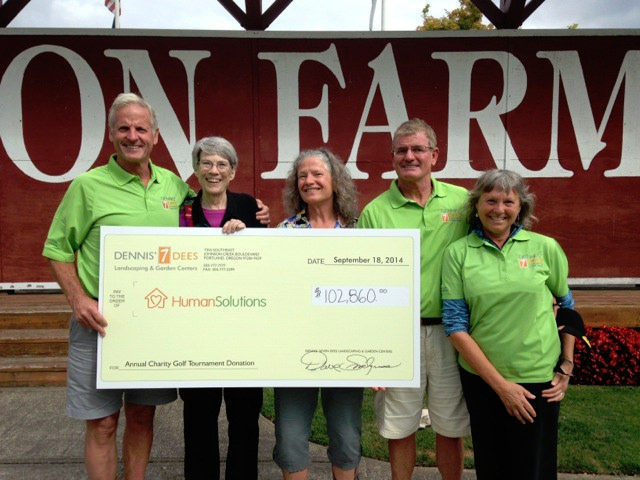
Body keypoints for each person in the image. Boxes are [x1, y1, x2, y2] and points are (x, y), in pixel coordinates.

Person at [41, 93, 269, 480]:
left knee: (142, 416)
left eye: (141, 128)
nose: (133, 135)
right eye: (125, 128)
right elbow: (57, 248)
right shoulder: (87, 185)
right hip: (99, 322)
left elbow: (211, 219)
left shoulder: (175, 189)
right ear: (112, 134)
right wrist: (78, 299)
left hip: (154, 324)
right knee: (103, 423)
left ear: (156, 136)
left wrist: (254, 211)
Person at [441, 169, 575, 480]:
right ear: (476, 205)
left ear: (520, 207)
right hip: (484, 380)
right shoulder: (457, 254)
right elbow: (455, 325)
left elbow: (567, 309)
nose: (498, 209)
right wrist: (501, 387)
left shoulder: (546, 248)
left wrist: (566, 365)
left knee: (535, 468)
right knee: (493, 466)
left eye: (508, 201)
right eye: (490, 200)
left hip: (538, 379)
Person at [357, 118, 470, 480]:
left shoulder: (463, 202)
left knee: (450, 426)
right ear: (392, 157)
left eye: (418, 149)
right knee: (399, 426)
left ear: (435, 155)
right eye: (402, 150)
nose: (410, 156)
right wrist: (374, 347)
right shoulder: (375, 212)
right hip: (397, 334)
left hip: (451, 333)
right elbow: (364, 280)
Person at [178, 136, 265, 480]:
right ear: (196, 170)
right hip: (196, 332)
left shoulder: (249, 207)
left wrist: (248, 234)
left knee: (245, 420)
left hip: (243, 332)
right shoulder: (182, 210)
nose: (214, 171)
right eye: (207, 163)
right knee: (198, 419)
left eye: (222, 164)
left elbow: (264, 262)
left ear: (233, 171)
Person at [273, 148, 361, 480]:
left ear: (335, 181)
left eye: (317, 174)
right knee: (291, 437)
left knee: (346, 434)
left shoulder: (361, 231)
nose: (309, 181)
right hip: (296, 350)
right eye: (302, 176)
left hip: (347, 351)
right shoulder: (285, 231)